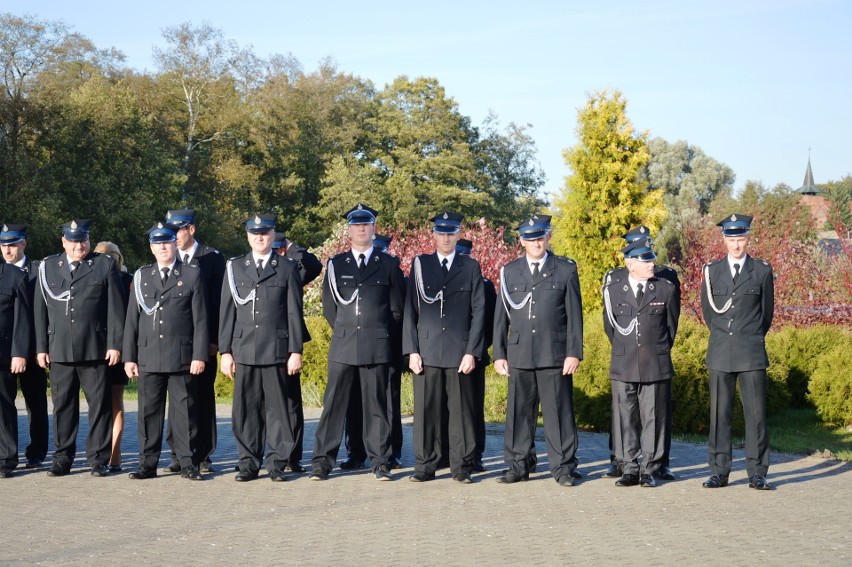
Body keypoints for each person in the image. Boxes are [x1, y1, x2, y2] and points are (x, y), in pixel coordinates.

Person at [310, 204, 405, 481]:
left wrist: (383, 338)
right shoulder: (336, 264)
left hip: (377, 346)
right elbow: (330, 307)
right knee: (333, 407)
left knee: (378, 408)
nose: (361, 229)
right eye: (356, 225)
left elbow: (396, 309)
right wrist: (347, 330)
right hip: (344, 345)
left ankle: (380, 462)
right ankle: (322, 462)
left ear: (374, 229)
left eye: (366, 225)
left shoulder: (388, 264)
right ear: (349, 230)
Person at [493, 214, 583, 487]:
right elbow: (501, 317)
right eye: (530, 238)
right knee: (519, 413)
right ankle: (518, 465)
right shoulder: (510, 271)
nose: (536, 242)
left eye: (540, 237)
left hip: (553, 354)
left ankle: (563, 467)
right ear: (521, 241)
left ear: (548, 237)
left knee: (558, 414)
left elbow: (574, 316)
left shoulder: (565, 269)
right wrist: (499, 353)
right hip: (520, 353)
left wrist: (574, 352)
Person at [34, 219, 126, 477]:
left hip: (95, 350)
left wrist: (115, 345)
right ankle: (63, 458)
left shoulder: (104, 265)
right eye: (74, 241)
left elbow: (116, 310)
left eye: (83, 240)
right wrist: (41, 347)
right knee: (63, 407)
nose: (79, 245)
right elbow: (40, 310)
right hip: (59, 349)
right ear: (64, 242)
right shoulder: (48, 266)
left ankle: (98, 459)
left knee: (99, 406)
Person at [219, 214, 306, 482]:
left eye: (265, 233)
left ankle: (277, 463)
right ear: (247, 236)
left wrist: (295, 351)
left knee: (279, 411)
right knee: (245, 410)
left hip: (276, 350)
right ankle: (248, 463)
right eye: (255, 233)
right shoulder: (234, 268)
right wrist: (225, 352)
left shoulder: (287, 268)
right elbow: (227, 313)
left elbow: (294, 312)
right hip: (244, 348)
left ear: (272, 235)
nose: (260, 237)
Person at [123, 223, 209, 481]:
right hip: (148, 355)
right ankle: (147, 465)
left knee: (184, 414)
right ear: (151, 247)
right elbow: (132, 320)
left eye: (167, 242)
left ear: (175, 244)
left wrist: (199, 355)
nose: (162, 247)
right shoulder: (142, 276)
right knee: (149, 413)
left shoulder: (192, 274)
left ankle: (187, 463)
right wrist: (129, 356)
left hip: (181, 356)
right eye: (157, 243)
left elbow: (201, 319)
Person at [404, 213, 485, 484]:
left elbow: (479, 312)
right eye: (442, 233)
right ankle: (424, 466)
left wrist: (473, 351)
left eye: (451, 233)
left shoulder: (470, 267)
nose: (447, 238)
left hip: (459, 353)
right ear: (434, 235)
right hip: (426, 352)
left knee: (460, 414)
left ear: (458, 235)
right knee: (426, 412)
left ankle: (460, 468)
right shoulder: (420, 265)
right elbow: (409, 312)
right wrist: (411, 351)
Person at [700, 213, 774, 490]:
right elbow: (710, 315)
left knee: (755, 416)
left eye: (740, 238)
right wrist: (727, 337)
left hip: (751, 352)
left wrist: (748, 336)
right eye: (731, 239)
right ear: (724, 240)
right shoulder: (712, 272)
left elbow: (766, 315)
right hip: (720, 352)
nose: (736, 245)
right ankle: (719, 471)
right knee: (719, 414)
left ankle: (757, 472)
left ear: (748, 238)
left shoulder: (762, 271)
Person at [602, 225, 681, 481]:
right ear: (630, 264)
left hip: (654, 361)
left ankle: (651, 467)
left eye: (651, 258)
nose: (651, 264)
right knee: (625, 417)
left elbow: (670, 327)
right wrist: (628, 348)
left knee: (654, 417)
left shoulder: (665, 289)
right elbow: (611, 327)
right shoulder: (613, 290)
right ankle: (629, 466)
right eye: (645, 260)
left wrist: (654, 349)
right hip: (624, 361)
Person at [164, 209, 225, 474]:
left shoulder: (211, 258)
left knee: (201, 398)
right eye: (171, 231)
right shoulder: (167, 256)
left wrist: (214, 340)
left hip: (203, 342)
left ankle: (202, 454)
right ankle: (178, 452)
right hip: (174, 343)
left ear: (191, 229)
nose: (174, 236)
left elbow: (219, 304)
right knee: (177, 400)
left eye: (178, 230)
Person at [340, 232, 404, 471]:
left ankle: (391, 452)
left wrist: (385, 340)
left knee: (387, 403)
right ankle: (355, 452)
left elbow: (399, 312)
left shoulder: (393, 272)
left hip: (386, 349)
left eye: (381, 249)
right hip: (354, 345)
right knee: (354, 402)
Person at [271, 231, 322, 473]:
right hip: (261, 343)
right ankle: (269, 453)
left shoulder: (292, 270)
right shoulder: (255, 268)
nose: (278, 253)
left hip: (288, 342)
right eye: (276, 249)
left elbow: (313, 264)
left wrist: (292, 246)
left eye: (281, 249)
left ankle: (292, 456)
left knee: (291, 403)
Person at [0, 224, 48, 469]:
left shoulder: (38, 270)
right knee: (6, 402)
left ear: (23, 244)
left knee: (36, 402)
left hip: (32, 347)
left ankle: (37, 451)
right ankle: (8, 453)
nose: (9, 250)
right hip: (5, 350)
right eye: (4, 245)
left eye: (13, 244)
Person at [456, 238, 496, 473]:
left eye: (465, 255)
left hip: (475, 356)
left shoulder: (485, 285)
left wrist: (477, 348)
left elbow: (489, 322)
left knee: (472, 408)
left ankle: (475, 455)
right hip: (447, 354)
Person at [93, 241, 133, 473]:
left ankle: (115, 454)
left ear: (118, 258)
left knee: (116, 400)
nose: (106, 261)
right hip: (95, 349)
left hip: (118, 348)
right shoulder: (93, 279)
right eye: (101, 257)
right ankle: (99, 451)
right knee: (99, 403)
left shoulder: (128, 281)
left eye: (110, 257)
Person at [0, 241, 32, 478]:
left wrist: (19, 352)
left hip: (3, 354)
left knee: (3, 407)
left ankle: (6, 458)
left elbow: (22, 318)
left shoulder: (13, 276)